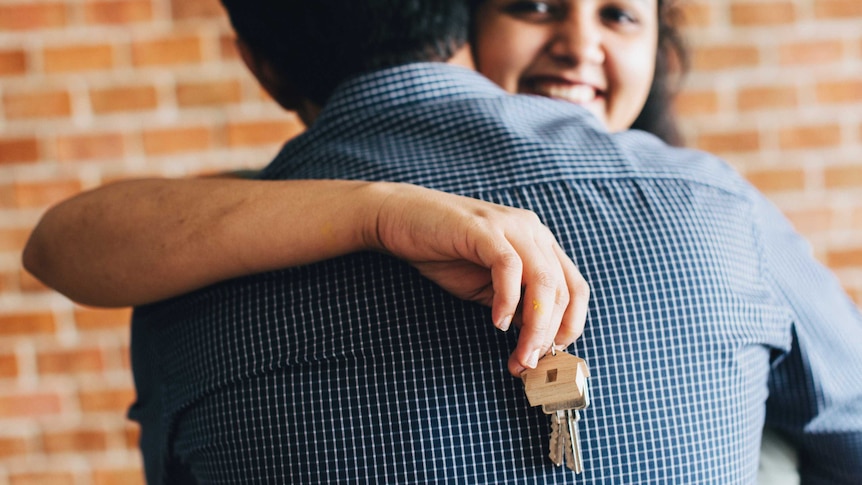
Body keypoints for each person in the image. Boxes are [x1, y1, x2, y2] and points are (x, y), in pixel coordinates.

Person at [23, 0, 861, 482]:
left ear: (256, 63)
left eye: (620, 16)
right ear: (463, 19)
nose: (578, 47)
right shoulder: (717, 202)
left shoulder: (197, 272)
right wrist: (376, 212)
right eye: (533, 5)